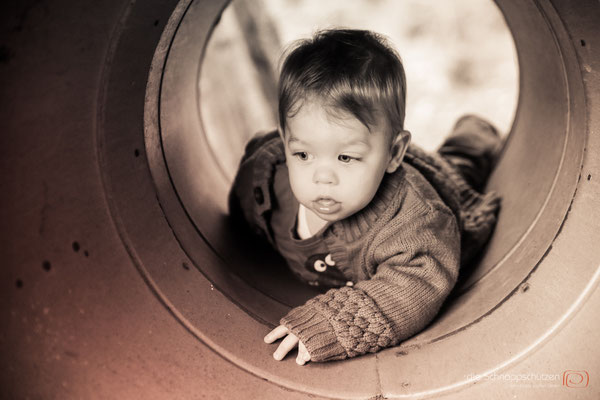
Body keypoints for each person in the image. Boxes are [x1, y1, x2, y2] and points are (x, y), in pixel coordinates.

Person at [229, 29, 501, 366]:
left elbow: (417, 282)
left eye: (345, 158)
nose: (322, 176)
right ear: (285, 140)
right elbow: (240, 212)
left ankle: (475, 134)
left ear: (394, 152)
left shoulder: (417, 219)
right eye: (302, 154)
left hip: (439, 186)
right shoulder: (266, 175)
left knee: (460, 164)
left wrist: (335, 323)